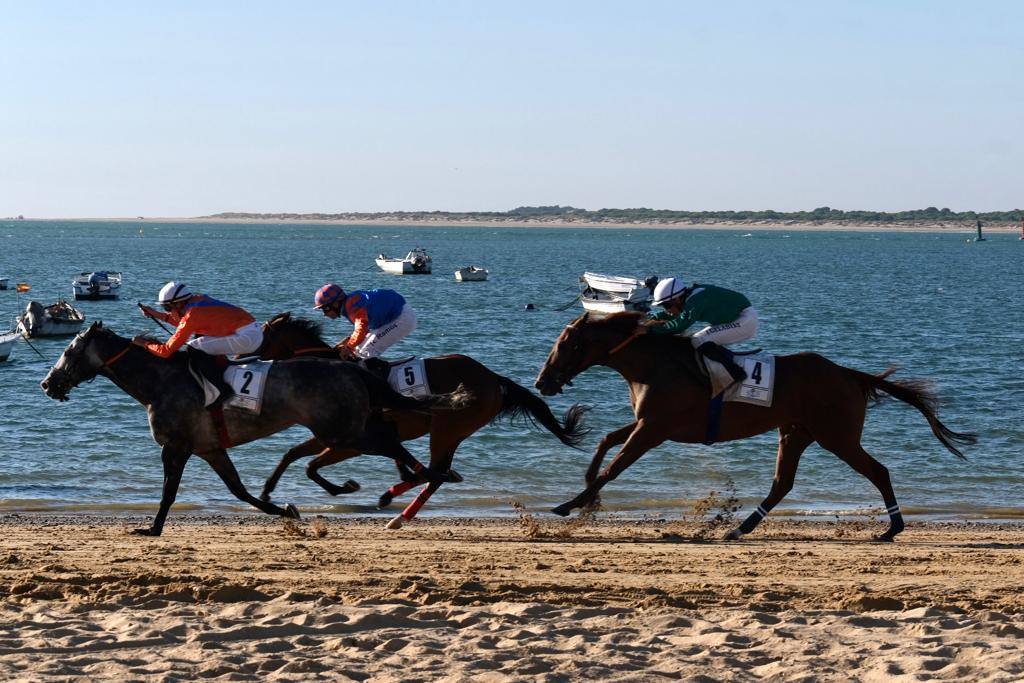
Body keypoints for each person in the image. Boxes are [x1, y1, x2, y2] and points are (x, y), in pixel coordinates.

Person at [134, 282, 263, 409]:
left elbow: (165, 351)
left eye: (167, 308)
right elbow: (183, 322)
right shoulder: (197, 301)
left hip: (246, 338)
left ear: (178, 304)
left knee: (193, 347)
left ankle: (222, 390)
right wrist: (155, 313)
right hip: (250, 332)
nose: (168, 311)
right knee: (199, 341)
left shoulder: (192, 315)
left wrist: (145, 344)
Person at [639, 277, 758, 383]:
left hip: (745, 321)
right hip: (736, 318)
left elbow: (680, 324)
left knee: (699, 339)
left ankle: (736, 373)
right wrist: (648, 320)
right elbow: (672, 315)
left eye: (666, 305)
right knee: (700, 339)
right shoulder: (689, 298)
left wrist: (649, 330)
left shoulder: (695, 301)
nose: (667, 310)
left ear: (677, 299)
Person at [313, 283, 416, 362]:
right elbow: (362, 329)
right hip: (394, 314)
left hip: (401, 317)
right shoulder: (349, 303)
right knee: (357, 350)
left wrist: (348, 347)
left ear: (335, 304)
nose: (324, 314)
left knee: (365, 352)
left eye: (325, 309)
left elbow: (361, 330)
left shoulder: (351, 307)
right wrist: (345, 343)